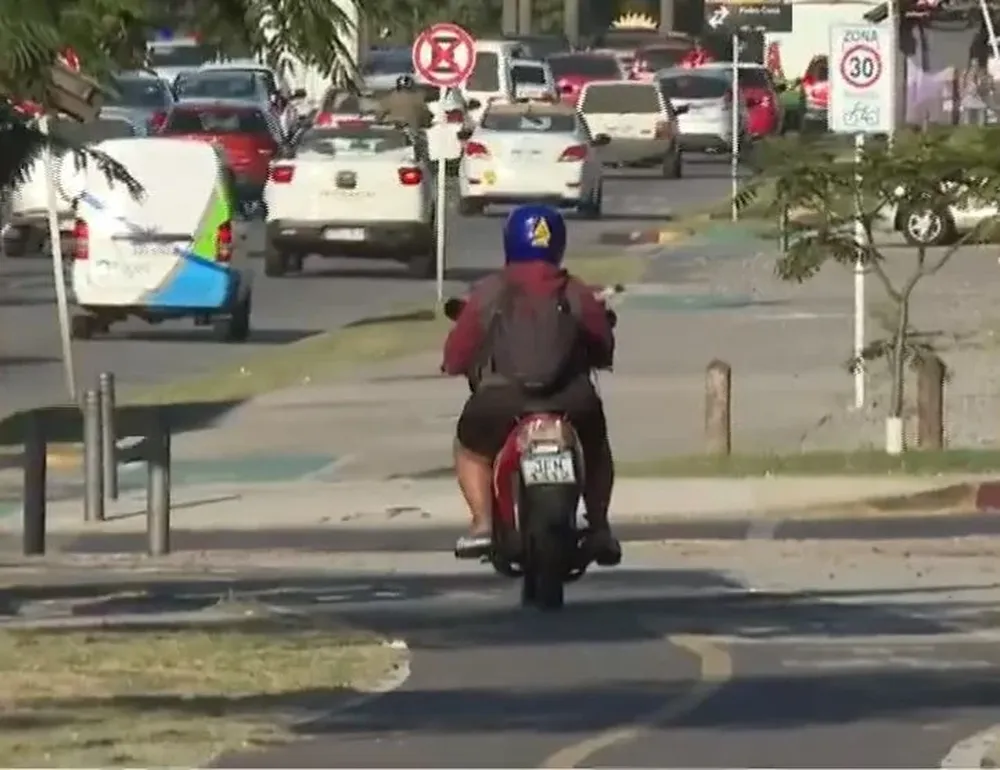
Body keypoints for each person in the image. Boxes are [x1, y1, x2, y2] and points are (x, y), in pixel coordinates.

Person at [441, 204, 621, 565]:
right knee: (597, 451)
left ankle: (482, 524)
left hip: (499, 399)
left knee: (471, 451)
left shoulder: (490, 290)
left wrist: (456, 365)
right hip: (572, 399)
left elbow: (459, 351)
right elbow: (602, 344)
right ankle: (599, 526)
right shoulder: (574, 291)